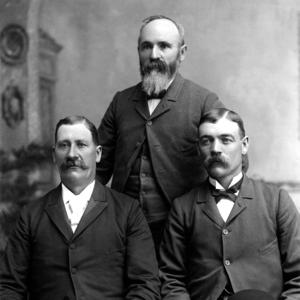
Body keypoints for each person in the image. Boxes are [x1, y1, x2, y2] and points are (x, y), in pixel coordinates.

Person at [97, 15, 224, 250]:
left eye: (164, 46)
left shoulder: (204, 101)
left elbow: (229, 166)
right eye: (146, 46)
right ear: (138, 51)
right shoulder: (121, 102)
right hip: (124, 232)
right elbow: (97, 167)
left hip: (183, 235)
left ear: (182, 52)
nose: (154, 55)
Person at [0, 116, 160, 300]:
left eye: (81, 145)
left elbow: (145, 285)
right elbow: (9, 287)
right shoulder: (31, 215)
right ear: (54, 154)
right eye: (64, 145)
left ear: (98, 153)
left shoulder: (128, 212)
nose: (71, 154)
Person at [159, 108, 300, 300]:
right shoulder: (183, 208)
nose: (215, 148)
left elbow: (298, 277)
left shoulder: (276, 201)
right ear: (198, 148)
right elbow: (171, 278)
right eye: (206, 141)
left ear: (244, 145)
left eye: (226, 140)